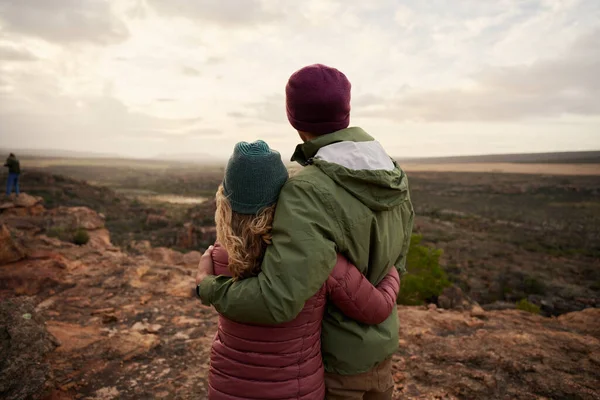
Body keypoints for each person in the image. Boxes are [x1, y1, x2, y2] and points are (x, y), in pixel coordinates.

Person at [196, 64, 414, 399]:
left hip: (336, 360)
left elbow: (277, 299)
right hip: (380, 345)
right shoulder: (390, 171)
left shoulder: (306, 189)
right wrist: (391, 281)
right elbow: (398, 258)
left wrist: (209, 288)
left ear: (294, 118)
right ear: (346, 111)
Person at [204, 140, 400, 399]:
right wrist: (392, 269)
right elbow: (377, 308)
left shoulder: (216, 257)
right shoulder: (315, 256)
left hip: (227, 388)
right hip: (296, 390)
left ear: (225, 204)